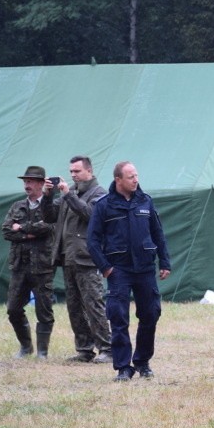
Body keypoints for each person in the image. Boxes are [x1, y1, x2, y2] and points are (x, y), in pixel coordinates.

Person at [87, 161, 171, 382]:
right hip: (119, 270)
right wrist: (105, 267)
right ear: (118, 180)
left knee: (150, 314)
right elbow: (92, 241)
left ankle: (142, 362)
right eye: (131, 177)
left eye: (136, 175)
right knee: (118, 317)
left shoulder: (145, 201)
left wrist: (165, 262)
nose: (135, 180)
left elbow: (158, 233)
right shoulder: (104, 205)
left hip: (144, 268)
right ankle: (123, 367)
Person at [43, 156, 112, 364]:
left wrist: (67, 194)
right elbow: (49, 217)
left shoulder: (99, 194)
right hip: (68, 258)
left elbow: (90, 215)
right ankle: (84, 349)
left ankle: (107, 349)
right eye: (71, 171)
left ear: (89, 172)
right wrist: (47, 196)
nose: (73, 175)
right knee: (74, 306)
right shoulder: (69, 193)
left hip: (88, 258)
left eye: (77, 171)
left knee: (94, 304)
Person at [1, 166, 55, 359]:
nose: (27, 185)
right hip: (20, 266)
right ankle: (26, 347)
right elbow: (6, 231)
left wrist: (21, 228)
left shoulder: (50, 205)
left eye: (31, 181)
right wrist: (30, 234)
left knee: (44, 310)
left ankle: (42, 351)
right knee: (13, 308)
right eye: (25, 181)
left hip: (42, 266)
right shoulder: (17, 206)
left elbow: (48, 227)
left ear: (42, 184)